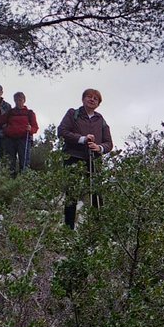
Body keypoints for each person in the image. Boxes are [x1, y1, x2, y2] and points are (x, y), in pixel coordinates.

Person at [57, 88, 113, 229]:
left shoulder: (100, 120)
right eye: (89, 96)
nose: (92, 99)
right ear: (83, 99)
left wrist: (99, 148)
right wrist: (82, 139)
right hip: (73, 156)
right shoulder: (72, 114)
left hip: (94, 159)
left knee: (96, 193)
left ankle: (97, 228)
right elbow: (62, 131)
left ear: (98, 103)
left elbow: (109, 143)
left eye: (96, 98)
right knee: (72, 192)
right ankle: (68, 228)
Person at [0, 91, 38, 177]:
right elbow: (0, 122)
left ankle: (23, 180)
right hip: (10, 139)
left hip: (24, 139)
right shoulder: (10, 112)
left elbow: (35, 127)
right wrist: (6, 129)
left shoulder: (30, 113)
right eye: (16, 100)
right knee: (10, 162)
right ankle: (10, 181)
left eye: (20, 100)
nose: (18, 102)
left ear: (24, 100)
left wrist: (30, 129)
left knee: (24, 162)